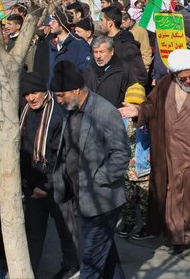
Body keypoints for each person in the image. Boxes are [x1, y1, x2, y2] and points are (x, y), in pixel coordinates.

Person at [119, 49, 190, 254]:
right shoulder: (164, 86)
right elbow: (149, 106)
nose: (188, 81)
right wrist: (138, 111)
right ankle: (180, 238)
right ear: (174, 75)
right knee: (175, 198)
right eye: (183, 78)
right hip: (172, 154)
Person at [51, 61, 130, 278]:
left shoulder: (104, 112)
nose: (57, 100)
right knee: (105, 256)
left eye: (60, 95)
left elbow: (122, 153)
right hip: (81, 196)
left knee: (91, 261)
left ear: (76, 90)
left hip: (102, 200)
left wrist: (100, 178)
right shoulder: (70, 109)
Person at [19, 72, 79, 279]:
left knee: (66, 228)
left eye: (34, 92)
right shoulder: (24, 110)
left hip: (56, 184)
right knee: (33, 233)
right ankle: (28, 271)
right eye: (26, 94)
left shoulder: (58, 114)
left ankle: (71, 265)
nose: (31, 98)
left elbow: (61, 155)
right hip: (31, 185)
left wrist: (45, 186)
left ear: (44, 91)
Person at [117, 83, 152, 240]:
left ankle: (147, 225)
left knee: (146, 202)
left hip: (144, 170)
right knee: (127, 200)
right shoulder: (122, 121)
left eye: (136, 105)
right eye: (129, 104)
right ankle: (129, 222)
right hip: (126, 169)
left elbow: (154, 141)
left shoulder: (147, 123)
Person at [99, 6, 148, 86]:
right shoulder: (103, 42)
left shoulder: (127, 46)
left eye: (101, 20)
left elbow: (140, 77)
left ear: (110, 23)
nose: (99, 24)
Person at [83, 36, 135, 108]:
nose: (98, 56)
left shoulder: (123, 69)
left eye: (102, 52)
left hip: (114, 116)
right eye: (95, 52)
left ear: (112, 51)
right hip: (91, 116)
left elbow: (133, 94)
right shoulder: (89, 69)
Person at [48, 8, 92, 82]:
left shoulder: (79, 44)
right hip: (54, 90)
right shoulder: (52, 44)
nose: (49, 23)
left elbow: (87, 73)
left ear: (62, 24)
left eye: (54, 21)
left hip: (72, 91)